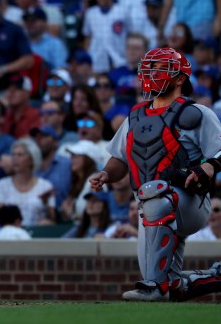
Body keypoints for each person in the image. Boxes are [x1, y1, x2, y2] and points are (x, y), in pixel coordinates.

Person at [89, 47, 221, 301]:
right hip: (149, 206)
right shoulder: (136, 115)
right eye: (149, 68)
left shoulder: (197, 112)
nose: (151, 73)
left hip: (191, 199)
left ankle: (155, 286)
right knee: (168, 285)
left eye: (160, 68)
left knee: (153, 284)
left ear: (180, 78)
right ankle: (210, 277)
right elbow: (120, 159)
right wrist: (105, 173)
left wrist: (209, 166)